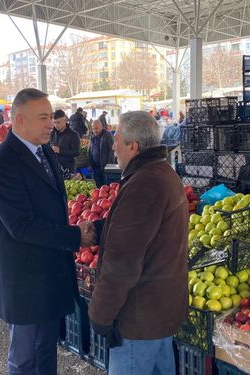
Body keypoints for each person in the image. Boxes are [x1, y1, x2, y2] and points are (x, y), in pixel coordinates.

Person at [0, 88, 95, 375]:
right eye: (43, 117)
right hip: (27, 280)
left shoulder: (43, 151)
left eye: (50, 116)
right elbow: (21, 226)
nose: (51, 123)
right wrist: (74, 237)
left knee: (45, 350)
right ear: (20, 121)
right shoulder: (1, 164)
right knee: (25, 358)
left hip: (49, 274)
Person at [88, 111, 188, 374]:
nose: (113, 145)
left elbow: (121, 263)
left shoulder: (143, 185)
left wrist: (101, 315)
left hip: (138, 320)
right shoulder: (163, 173)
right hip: (160, 313)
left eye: (117, 139)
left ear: (133, 146)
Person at [49, 109, 80, 173]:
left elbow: (76, 152)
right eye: (54, 122)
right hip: (55, 166)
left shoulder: (73, 134)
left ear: (65, 120)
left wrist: (60, 150)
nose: (56, 125)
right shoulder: (52, 133)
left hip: (69, 167)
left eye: (58, 122)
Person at [88, 119, 114, 187]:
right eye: (93, 129)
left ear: (101, 127)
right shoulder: (92, 136)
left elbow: (112, 150)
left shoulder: (107, 135)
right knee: (99, 186)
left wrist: (109, 166)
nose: (95, 130)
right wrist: (90, 164)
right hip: (95, 167)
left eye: (96, 128)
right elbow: (90, 151)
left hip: (105, 167)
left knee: (106, 187)